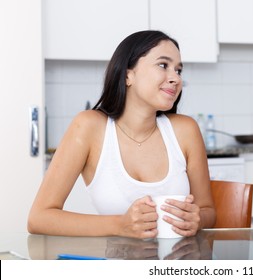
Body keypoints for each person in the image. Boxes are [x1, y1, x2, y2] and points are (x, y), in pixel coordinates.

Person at [28, 30, 216, 239]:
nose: (175, 78)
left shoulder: (186, 129)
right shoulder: (89, 126)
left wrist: (197, 219)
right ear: (128, 75)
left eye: (178, 70)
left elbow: (207, 210)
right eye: (163, 65)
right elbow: (39, 218)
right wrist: (120, 225)